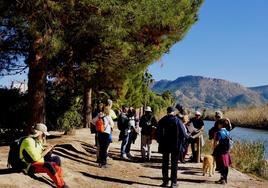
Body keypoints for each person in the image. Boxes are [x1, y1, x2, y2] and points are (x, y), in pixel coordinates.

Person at [19, 123, 68, 188]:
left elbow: (40, 152)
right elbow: (35, 158)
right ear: (39, 133)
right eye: (43, 134)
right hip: (29, 166)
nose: (44, 136)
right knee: (48, 165)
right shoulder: (28, 141)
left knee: (57, 159)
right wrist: (47, 150)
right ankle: (61, 186)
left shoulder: (37, 140)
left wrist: (50, 150)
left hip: (39, 161)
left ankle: (59, 180)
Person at [157, 107, 188, 188]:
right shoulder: (177, 120)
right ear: (173, 112)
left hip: (165, 145)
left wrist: (160, 141)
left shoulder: (163, 120)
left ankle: (165, 182)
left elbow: (158, 131)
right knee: (174, 164)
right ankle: (173, 183)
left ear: (167, 112)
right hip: (175, 145)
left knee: (165, 163)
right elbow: (183, 133)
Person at [213, 118, 232, 184]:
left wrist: (214, 150)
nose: (218, 125)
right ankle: (225, 179)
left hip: (220, 151)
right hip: (226, 151)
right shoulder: (227, 132)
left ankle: (222, 179)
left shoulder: (219, 132)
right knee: (226, 165)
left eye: (219, 124)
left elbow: (217, 143)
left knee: (221, 166)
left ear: (221, 125)